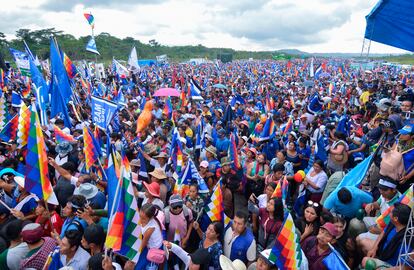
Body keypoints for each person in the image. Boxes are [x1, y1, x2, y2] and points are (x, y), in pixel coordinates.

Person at [362, 203, 413, 268]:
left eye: (391, 212)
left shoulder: (408, 241)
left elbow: (406, 267)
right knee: (362, 241)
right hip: (383, 252)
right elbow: (383, 232)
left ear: (395, 218)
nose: (389, 213)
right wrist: (374, 248)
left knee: (365, 261)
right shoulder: (394, 224)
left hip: (391, 265)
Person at [136, 203, 164, 270]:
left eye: (143, 219)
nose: (140, 220)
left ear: (151, 218)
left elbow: (142, 245)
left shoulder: (149, 229)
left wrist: (135, 255)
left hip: (154, 249)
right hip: (149, 244)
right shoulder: (151, 219)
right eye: (140, 216)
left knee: (140, 267)